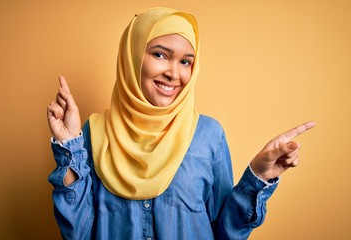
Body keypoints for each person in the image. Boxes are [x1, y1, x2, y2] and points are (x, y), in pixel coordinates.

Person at [47, 7, 315, 239]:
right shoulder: (94, 134)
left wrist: (259, 175)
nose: (174, 73)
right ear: (132, 56)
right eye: (160, 55)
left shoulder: (208, 135)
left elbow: (227, 234)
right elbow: (77, 234)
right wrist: (69, 144)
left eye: (186, 61)